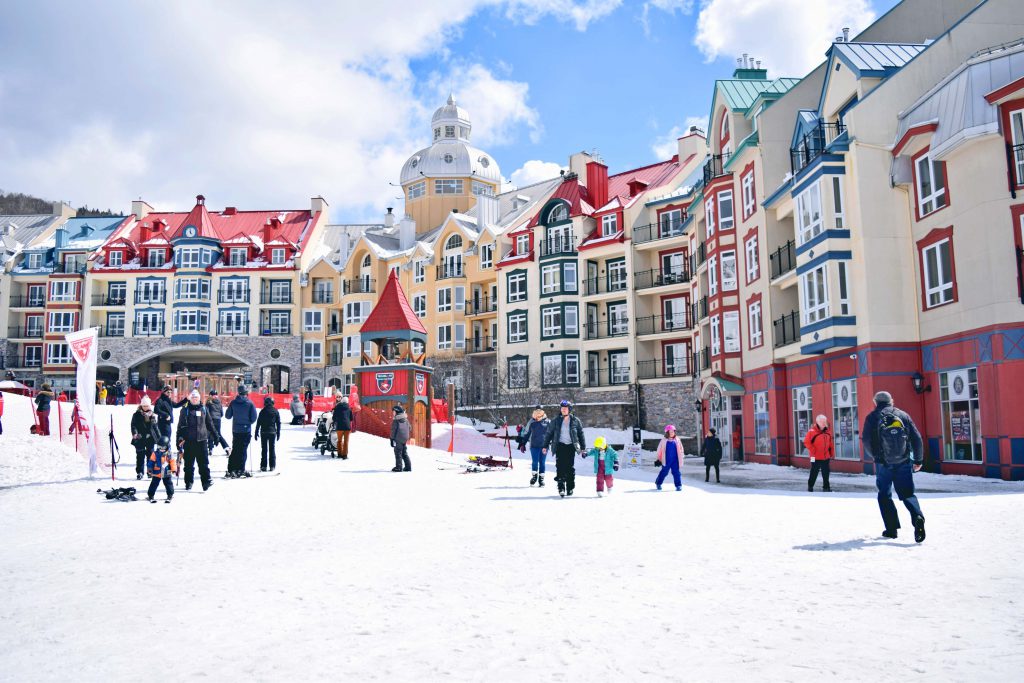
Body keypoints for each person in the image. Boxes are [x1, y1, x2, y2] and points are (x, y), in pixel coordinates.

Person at [863, 391, 926, 543]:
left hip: (884, 464)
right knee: (908, 494)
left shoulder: (872, 417)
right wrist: (918, 460)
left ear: (875, 402)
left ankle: (891, 530)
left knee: (884, 495)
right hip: (903, 462)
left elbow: (866, 441)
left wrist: (877, 457)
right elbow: (917, 438)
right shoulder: (903, 415)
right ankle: (917, 516)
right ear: (891, 400)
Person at [175, 389, 215, 491]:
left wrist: (216, 435)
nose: (194, 399)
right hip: (189, 441)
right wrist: (179, 440)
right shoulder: (185, 410)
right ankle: (188, 482)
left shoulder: (204, 409)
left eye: (196, 397)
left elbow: (209, 424)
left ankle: (206, 482)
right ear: (190, 399)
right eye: (193, 397)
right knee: (189, 464)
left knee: (204, 464)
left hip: (202, 441)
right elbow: (180, 427)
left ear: (199, 399)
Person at [543, 400, 585, 497]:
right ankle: (561, 487)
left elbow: (581, 434)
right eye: (562, 408)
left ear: (569, 409)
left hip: (571, 446)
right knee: (560, 466)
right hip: (560, 446)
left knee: (569, 467)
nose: (563, 410)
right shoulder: (556, 420)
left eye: (565, 409)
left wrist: (583, 447)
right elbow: (549, 433)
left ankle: (570, 488)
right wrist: (545, 446)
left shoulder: (575, 420)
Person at [225, 384, 258, 478]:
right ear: (246, 393)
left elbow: (227, 416)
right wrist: (247, 422)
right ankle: (241, 469)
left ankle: (231, 469)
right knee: (243, 450)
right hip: (245, 430)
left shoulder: (233, 403)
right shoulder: (250, 403)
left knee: (235, 449)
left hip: (236, 430)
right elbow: (253, 418)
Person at [517, 406, 550, 487]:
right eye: (536, 411)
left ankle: (541, 480)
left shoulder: (548, 421)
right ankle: (534, 477)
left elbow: (552, 433)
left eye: (540, 411)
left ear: (542, 412)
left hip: (544, 446)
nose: (538, 413)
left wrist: (553, 443)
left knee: (542, 462)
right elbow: (527, 433)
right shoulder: (532, 422)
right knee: (535, 462)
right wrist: (523, 444)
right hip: (534, 445)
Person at [130, 396, 161, 480]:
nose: (145, 408)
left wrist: (159, 438)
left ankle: (149, 471)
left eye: (147, 406)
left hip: (150, 438)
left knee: (150, 456)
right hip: (139, 438)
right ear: (141, 406)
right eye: (143, 406)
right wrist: (135, 433)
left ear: (149, 406)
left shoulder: (153, 415)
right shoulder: (136, 414)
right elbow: (133, 425)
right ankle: (140, 472)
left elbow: (155, 427)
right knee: (140, 456)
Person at [804, 414, 835, 492]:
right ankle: (810, 486)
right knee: (814, 472)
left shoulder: (828, 431)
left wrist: (831, 452)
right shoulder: (812, 432)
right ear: (817, 422)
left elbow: (830, 443)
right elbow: (806, 442)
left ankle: (826, 487)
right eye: (822, 421)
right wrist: (813, 450)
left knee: (826, 472)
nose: (824, 423)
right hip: (814, 457)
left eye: (825, 421)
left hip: (825, 456)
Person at [254, 395, 281, 472]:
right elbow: (278, 423)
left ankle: (263, 466)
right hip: (272, 432)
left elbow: (258, 423)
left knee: (264, 449)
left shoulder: (262, 411)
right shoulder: (275, 411)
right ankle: (272, 466)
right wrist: (278, 433)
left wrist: (256, 432)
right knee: (272, 449)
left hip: (264, 432)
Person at [146, 438, 176, 503]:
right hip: (157, 472)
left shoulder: (169, 454)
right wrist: (150, 469)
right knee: (154, 484)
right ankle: (150, 495)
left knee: (168, 484)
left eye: (163, 447)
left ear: (167, 446)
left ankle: (170, 494)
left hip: (166, 472)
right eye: (159, 447)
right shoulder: (155, 454)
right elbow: (151, 461)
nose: (161, 449)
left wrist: (173, 469)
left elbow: (172, 462)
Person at [656, 424, 685, 491]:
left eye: (673, 432)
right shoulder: (664, 440)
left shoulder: (677, 440)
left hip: (675, 460)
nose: (672, 433)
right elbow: (659, 450)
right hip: (666, 460)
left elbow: (681, 448)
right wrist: (658, 458)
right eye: (670, 432)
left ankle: (678, 485)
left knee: (676, 473)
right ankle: (658, 483)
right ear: (667, 433)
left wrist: (682, 455)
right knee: (664, 472)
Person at [205, 389, 230, 456]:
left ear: (210, 395)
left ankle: (210, 449)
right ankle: (226, 447)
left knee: (210, 433)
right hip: (218, 420)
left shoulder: (209, 402)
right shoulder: (219, 402)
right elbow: (222, 413)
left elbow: (206, 412)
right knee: (218, 434)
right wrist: (218, 417)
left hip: (211, 419)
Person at [390, 404, 411, 472]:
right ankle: (408, 467)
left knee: (398, 452)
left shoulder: (396, 421)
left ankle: (399, 467)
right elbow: (410, 428)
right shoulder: (406, 419)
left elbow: (393, 431)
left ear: (397, 412)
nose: (393, 413)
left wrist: (392, 439)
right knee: (404, 453)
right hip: (405, 438)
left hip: (398, 439)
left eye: (393, 412)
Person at [333, 395, 352, 459]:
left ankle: (339, 454)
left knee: (339, 441)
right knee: (346, 441)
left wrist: (336, 421)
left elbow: (334, 417)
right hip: (347, 427)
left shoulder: (337, 407)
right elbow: (351, 418)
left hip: (339, 426)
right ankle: (345, 455)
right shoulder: (349, 408)